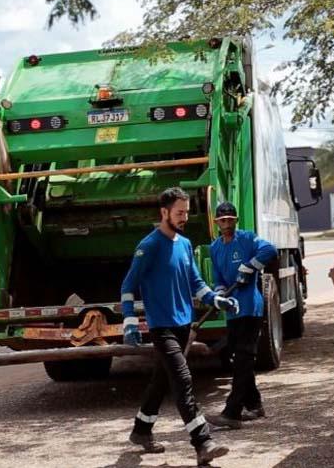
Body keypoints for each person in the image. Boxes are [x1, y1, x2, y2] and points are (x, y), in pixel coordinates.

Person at [121, 187, 238, 465]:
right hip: (162, 327)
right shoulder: (148, 246)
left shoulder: (185, 244)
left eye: (186, 212)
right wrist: (129, 322)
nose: (184, 217)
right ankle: (203, 442)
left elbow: (195, 283)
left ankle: (141, 430)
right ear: (164, 213)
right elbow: (128, 285)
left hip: (184, 325)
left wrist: (216, 299)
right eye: (179, 212)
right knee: (183, 380)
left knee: (162, 379)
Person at [204, 202, 277, 429]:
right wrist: (219, 294)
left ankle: (232, 411)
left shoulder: (247, 239)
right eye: (222, 221)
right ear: (217, 223)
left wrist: (250, 266)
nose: (226, 224)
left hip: (250, 309)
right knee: (236, 359)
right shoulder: (215, 248)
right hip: (232, 311)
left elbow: (270, 250)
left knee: (244, 357)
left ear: (236, 220)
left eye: (230, 220)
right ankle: (254, 405)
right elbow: (218, 279)